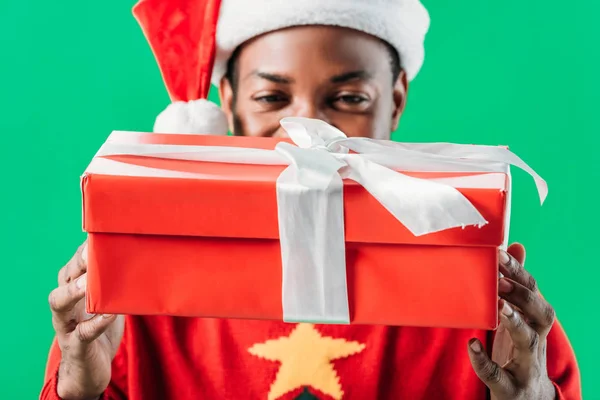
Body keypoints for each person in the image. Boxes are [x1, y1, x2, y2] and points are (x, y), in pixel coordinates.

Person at [40, 0, 582, 399]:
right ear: (226, 102)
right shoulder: (139, 280)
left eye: (347, 98)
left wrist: (533, 396)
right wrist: (78, 389)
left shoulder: (478, 279)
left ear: (394, 102)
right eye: (272, 98)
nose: (307, 130)